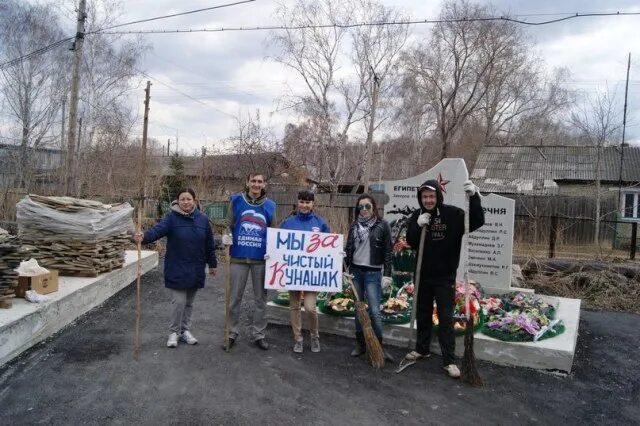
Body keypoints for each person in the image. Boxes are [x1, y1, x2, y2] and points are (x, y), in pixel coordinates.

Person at [404, 179, 484, 378]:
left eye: (431, 196)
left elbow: (476, 221)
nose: (428, 200)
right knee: (423, 313)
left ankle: (449, 360)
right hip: (422, 274)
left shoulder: (453, 215)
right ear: (420, 198)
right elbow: (411, 241)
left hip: (444, 277)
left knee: (445, 317)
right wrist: (417, 225)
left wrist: (474, 197)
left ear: (438, 196)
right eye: (424, 197)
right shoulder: (417, 215)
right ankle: (422, 348)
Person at [134, 188, 217, 348]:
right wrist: (144, 237)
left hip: (196, 267)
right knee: (179, 302)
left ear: (195, 200)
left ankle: (185, 331)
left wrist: (212, 264)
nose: (186, 202)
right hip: (177, 267)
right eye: (182, 199)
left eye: (189, 199)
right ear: (178, 201)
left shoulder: (202, 220)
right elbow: (157, 231)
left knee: (189, 303)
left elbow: (209, 244)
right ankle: (174, 332)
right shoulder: (171, 218)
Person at [222, 173, 276, 351]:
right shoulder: (237, 201)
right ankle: (231, 332)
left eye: (260, 181)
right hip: (238, 257)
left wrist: (274, 253)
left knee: (260, 299)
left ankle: (259, 334)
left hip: (260, 259)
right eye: (253, 181)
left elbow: (274, 232)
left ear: (264, 184)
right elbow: (228, 224)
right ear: (247, 182)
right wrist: (226, 236)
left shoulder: (270, 205)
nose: (256, 184)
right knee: (234, 298)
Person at [279, 190, 330, 354]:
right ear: (297, 202)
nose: (304, 205)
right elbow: (279, 245)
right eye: (302, 201)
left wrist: (337, 254)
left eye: (308, 202)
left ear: (313, 204)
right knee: (294, 307)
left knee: (309, 308)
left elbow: (328, 246)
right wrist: (271, 254)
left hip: (311, 275)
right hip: (293, 273)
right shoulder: (288, 223)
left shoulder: (321, 223)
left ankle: (314, 336)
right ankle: (298, 339)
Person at [344, 194, 394, 361]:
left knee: (374, 311)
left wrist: (387, 275)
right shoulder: (354, 226)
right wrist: (344, 268)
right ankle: (360, 344)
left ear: (374, 208)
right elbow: (348, 248)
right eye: (361, 207)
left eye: (367, 206)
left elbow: (388, 252)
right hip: (356, 272)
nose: (364, 210)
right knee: (359, 310)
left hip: (373, 273)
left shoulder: (383, 225)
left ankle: (378, 346)